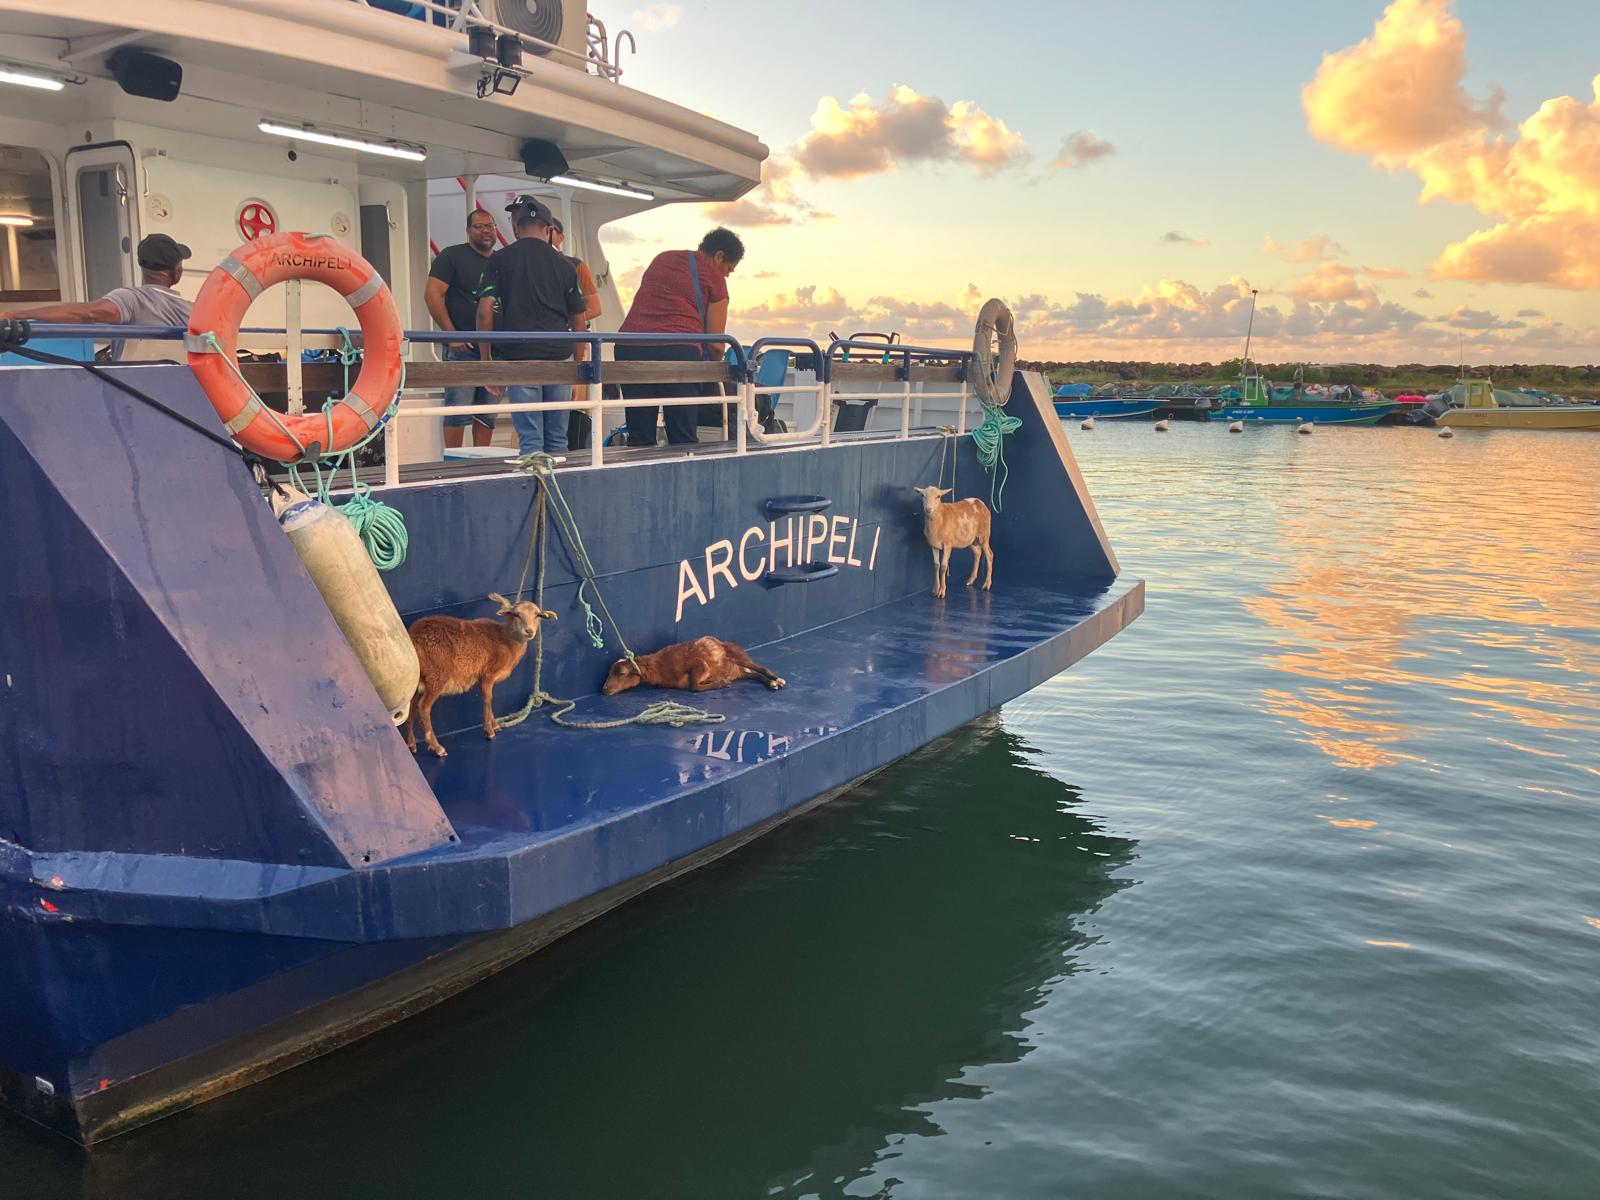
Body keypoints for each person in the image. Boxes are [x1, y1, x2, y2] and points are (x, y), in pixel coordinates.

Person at [476, 196, 587, 456]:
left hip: (520, 358)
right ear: (549, 229)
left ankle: (535, 481)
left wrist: (486, 361)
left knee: (530, 441)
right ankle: (558, 482)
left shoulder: (500, 259)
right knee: (558, 440)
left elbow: (484, 311)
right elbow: (578, 321)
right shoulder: (566, 266)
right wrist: (576, 367)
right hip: (558, 359)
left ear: (518, 227)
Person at [617, 227, 743, 447]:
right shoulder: (715, 278)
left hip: (629, 347)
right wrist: (709, 374)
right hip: (679, 352)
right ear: (719, 256)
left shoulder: (663, 258)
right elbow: (716, 344)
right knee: (682, 438)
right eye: (729, 269)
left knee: (639, 437)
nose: (727, 275)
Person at [1, 233, 191, 361]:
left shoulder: (132, 300)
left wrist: (17, 315)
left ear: (141, 265)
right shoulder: (192, 310)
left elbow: (87, 314)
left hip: (134, 392)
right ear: (177, 271)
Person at [425, 210, 498, 448]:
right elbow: (432, 294)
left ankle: (481, 462)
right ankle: (453, 463)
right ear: (468, 231)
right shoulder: (451, 256)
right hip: (462, 349)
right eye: (479, 226)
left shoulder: (501, 261)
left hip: (496, 350)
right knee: (457, 411)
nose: (485, 231)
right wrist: (451, 334)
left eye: (490, 226)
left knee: (487, 415)